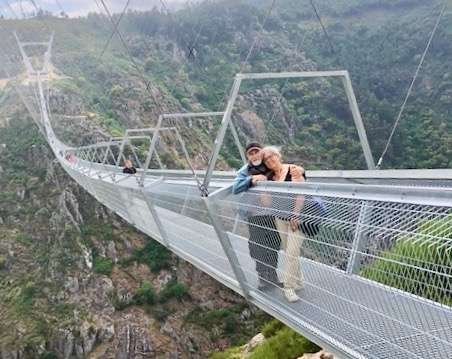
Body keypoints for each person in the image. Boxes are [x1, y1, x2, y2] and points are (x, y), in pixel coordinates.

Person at [233, 142, 283, 290]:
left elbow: (282, 173)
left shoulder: (269, 166)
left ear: (262, 153)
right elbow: (236, 188)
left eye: (257, 152)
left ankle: (272, 276)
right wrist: (251, 180)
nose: (254, 155)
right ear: (248, 156)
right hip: (255, 215)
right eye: (251, 153)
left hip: (272, 213)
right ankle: (262, 277)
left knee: (274, 244)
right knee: (258, 245)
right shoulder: (246, 170)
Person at [262, 146, 305, 303]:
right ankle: (299, 281)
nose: (270, 160)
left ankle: (289, 287)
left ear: (278, 155)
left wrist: (296, 213)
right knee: (289, 251)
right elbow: (266, 204)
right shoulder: (270, 178)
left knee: (292, 252)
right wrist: (263, 187)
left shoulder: (293, 170)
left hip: (297, 219)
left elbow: (302, 193)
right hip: (280, 218)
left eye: (271, 156)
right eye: (266, 159)